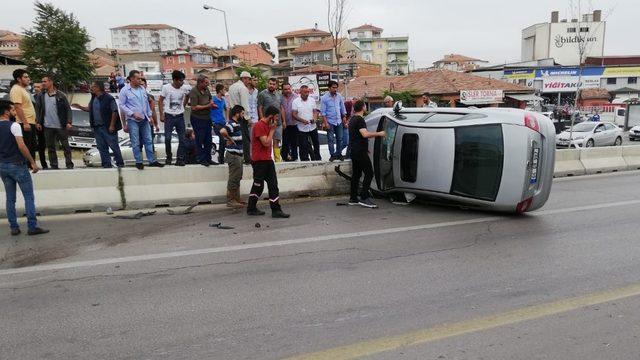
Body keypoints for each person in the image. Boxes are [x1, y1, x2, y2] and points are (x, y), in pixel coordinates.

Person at [0, 100, 49, 236]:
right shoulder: (14, 125)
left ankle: (14, 227)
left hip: (3, 166)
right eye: (13, 110)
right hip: (17, 165)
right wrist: (32, 162)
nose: (15, 113)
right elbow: (21, 146)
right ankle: (32, 226)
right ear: (6, 112)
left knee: (10, 198)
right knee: (28, 196)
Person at [247, 105, 290, 218]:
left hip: (267, 160)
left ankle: (276, 210)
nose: (277, 120)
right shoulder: (259, 126)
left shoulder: (267, 125)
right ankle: (251, 208)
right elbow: (265, 142)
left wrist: (271, 129)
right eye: (276, 117)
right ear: (270, 116)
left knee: (273, 185)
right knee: (258, 185)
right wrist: (272, 131)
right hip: (259, 161)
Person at [72, 81, 124, 168]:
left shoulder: (108, 98)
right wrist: (80, 107)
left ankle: (120, 163)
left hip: (107, 127)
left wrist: (112, 125)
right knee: (101, 147)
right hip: (97, 127)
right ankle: (106, 164)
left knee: (113, 145)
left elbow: (114, 111)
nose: (91, 88)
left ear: (98, 88)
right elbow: (89, 109)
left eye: (93, 87)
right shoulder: (93, 98)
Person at [119, 70, 164, 170]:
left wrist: (150, 116)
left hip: (144, 119)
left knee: (148, 140)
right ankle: (139, 161)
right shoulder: (125, 90)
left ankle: (152, 160)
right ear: (131, 79)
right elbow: (122, 105)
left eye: (140, 78)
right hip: (132, 120)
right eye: (138, 78)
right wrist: (132, 114)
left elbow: (146, 104)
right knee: (135, 141)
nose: (140, 80)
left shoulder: (142, 89)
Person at [348, 100, 386, 208]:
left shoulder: (352, 120)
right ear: (363, 107)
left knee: (356, 175)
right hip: (359, 151)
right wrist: (380, 133)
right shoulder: (360, 120)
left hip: (354, 150)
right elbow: (364, 134)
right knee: (369, 173)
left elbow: (356, 136)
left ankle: (353, 198)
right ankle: (364, 197)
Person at [35, 74, 74, 170]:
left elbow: (68, 109)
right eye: (42, 81)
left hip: (60, 125)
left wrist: (69, 122)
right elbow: (38, 109)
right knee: (50, 147)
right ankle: (54, 165)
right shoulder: (41, 95)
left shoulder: (61, 95)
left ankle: (69, 164)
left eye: (45, 81)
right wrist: (38, 122)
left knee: (65, 146)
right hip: (47, 126)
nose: (43, 83)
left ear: (51, 82)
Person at [158, 70, 188, 166]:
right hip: (169, 116)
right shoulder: (166, 88)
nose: (182, 82)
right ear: (174, 80)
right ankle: (169, 157)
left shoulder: (184, 88)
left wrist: (183, 105)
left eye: (183, 80)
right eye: (180, 81)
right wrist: (161, 114)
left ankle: (180, 159)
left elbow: (188, 96)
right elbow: (160, 100)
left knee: (182, 139)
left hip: (180, 116)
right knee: (167, 138)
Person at [9, 69, 38, 166]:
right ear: (19, 79)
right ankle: (25, 166)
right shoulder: (16, 89)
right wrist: (25, 122)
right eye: (25, 77)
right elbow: (17, 107)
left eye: (28, 77)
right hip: (24, 123)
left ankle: (30, 165)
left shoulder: (23, 89)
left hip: (31, 122)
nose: (28, 79)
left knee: (32, 145)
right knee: (26, 145)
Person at [219, 105, 246, 208]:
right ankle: (231, 200)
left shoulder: (236, 124)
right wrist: (229, 138)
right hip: (233, 155)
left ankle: (236, 199)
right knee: (234, 178)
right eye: (242, 114)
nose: (243, 116)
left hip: (237, 154)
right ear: (237, 113)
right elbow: (222, 131)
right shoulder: (232, 123)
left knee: (237, 177)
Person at [189, 75, 215, 167]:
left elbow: (210, 98)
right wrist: (208, 106)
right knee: (200, 139)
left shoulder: (206, 90)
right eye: (206, 83)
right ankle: (201, 158)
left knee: (208, 139)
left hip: (207, 118)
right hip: (197, 118)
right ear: (200, 83)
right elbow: (194, 107)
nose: (207, 84)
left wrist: (211, 103)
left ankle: (208, 158)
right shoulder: (193, 92)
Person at [320, 80, 347, 162]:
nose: (335, 89)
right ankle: (332, 155)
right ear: (329, 88)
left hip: (339, 121)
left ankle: (339, 154)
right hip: (330, 122)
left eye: (336, 88)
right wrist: (326, 123)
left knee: (340, 139)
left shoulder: (339, 96)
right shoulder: (324, 98)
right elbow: (323, 113)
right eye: (333, 88)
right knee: (330, 139)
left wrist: (344, 117)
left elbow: (342, 108)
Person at [228, 71, 252, 164]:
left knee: (234, 137)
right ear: (244, 78)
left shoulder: (231, 87)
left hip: (232, 114)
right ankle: (247, 159)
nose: (249, 82)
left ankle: (236, 158)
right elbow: (245, 105)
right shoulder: (243, 88)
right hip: (240, 115)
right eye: (248, 79)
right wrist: (248, 118)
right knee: (245, 138)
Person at [292, 85, 321, 161]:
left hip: (312, 126)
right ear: (300, 92)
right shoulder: (295, 102)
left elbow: (315, 112)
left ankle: (317, 159)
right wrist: (302, 120)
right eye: (305, 92)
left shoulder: (312, 100)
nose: (307, 93)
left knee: (316, 143)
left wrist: (314, 119)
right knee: (303, 145)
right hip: (302, 127)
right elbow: (294, 114)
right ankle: (304, 160)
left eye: (308, 92)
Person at [258, 78, 284, 162]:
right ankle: (267, 160)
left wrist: (284, 121)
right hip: (267, 123)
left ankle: (277, 161)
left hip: (278, 123)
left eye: (273, 84)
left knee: (276, 141)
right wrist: (262, 119)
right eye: (270, 83)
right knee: (267, 142)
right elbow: (260, 107)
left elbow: (281, 108)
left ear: (276, 85)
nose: (271, 85)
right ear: (267, 84)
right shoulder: (262, 94)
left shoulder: (279, 94)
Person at [31, 82, 49, 169]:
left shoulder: (45, 97)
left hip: (42, 124)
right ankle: (31, 163)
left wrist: (39, 122)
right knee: (32, 144)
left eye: (38, 86)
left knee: (42, 145)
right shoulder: (32, 97)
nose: (36, 88)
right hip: (32, 123)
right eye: (34, 87)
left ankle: (44, 164)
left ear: (42, 87)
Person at [280, 83, 299, 162]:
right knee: (285, 142)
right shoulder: (280, 97)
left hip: (294, 123)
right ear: (282, 90)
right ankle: (285, 157)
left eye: (289, 89)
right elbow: (281, 109)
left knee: (294, 142)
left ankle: (294, 157)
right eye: (285, 89)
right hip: (284, 124)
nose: (288, 91)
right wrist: (283, 121)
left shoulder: (296, 97)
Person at [211, 83, 229, 165]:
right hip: (216, 123)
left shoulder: (223, 100)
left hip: (222, 122)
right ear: (220, 90)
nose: (225, 91)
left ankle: (221, 157)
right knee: (222, 138)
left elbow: (226, 109)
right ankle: (220, 158)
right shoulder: (213, 99)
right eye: (224, 89)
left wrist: (227, 119)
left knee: (224, 140)